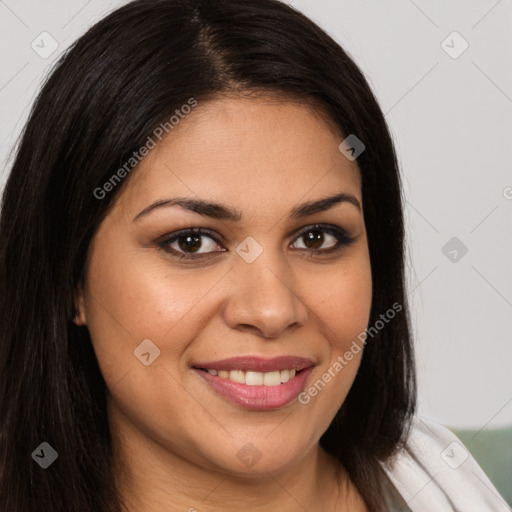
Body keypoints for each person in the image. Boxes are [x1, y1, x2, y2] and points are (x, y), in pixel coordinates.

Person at [0, 0, 508, 511]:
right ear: (71, 278)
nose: (271, 310)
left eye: (317, 237)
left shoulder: (457, 484)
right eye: (191, 241)